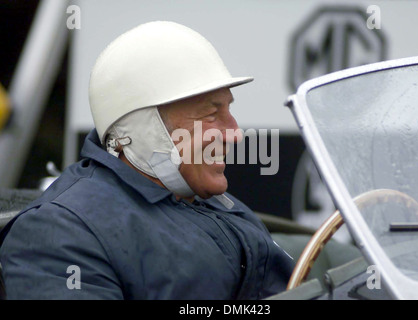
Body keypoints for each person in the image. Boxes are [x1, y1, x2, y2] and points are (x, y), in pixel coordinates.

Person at [0, 21, 294, 299]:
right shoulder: (59, 233)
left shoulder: (213, 203)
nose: (234, 134)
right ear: (142, 131)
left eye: (228, 111)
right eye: (211, 114)